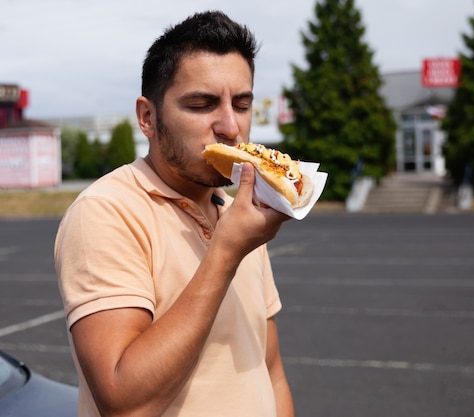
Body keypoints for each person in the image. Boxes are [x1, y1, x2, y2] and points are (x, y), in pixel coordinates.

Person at [54, 10, 295, 417]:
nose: (230, 127)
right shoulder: (106, 212)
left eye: (241, 103)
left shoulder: (239, 214)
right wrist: (226, 254)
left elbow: (270, 372)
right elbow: (126, 403)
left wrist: (236, 239)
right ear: (148, 117)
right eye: (201, 104)